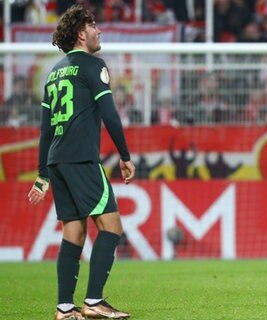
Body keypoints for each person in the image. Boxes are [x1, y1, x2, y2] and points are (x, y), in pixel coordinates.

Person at [27, 5, 134, 320]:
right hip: (81, 158)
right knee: (111, 226)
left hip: (57, 160)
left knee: (74, 230)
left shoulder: (55, 71)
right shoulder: (92, 65)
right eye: (93, 25)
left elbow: (45, 128)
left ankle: (64, 308)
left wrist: (42, 174)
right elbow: (110, 114)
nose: (99, 30)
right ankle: (94, 301)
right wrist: (125, 155)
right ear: (80, 33)